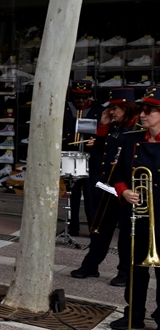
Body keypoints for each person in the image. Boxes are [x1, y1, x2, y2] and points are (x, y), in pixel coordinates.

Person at [72, 88, 139, 284]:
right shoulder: (115, 126)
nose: (112, 112)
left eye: (116, 108)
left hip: (127, 188)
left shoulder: (136, 127)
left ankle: (125, 273)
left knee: (126, 234)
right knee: (100, 229)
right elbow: (101, 149)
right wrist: (103, 124)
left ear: (127, 107)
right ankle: (90, 266)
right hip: (109, 185)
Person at [110, 86, 160, 330]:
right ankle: (135, 314)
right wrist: (124, 192)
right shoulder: (131, 139)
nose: (143, 115)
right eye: (142, 110)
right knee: (135, 269)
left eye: (149, 111)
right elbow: (118, 176)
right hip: (137, 216)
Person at [63, 79, 104, 236]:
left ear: (89, 96)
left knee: (91, 195)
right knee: (71, 194)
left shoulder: (98, 110)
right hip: (70, 155)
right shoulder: (65, 108)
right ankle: (72, 228)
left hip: (91, 158)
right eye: (77, 97)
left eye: (84, 97)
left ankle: (93, 228)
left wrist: (97, 141)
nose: (80, 100)